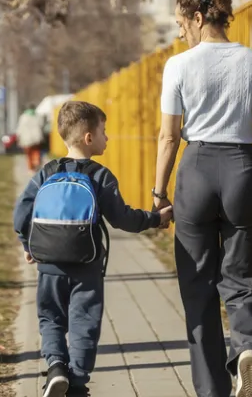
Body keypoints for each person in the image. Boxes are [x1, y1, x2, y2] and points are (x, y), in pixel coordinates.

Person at [150, 0, 252, 397]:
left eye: (182, 23)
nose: (180, 32)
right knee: (242, 279)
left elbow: (168, 138)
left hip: (197, 170)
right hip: (243, 168)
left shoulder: (179, 66)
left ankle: (211, 389)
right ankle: (246, 351)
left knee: (198, 286)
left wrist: (157, 192)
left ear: (199, 18)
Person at [13, 101, 174, 397]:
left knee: (51, 318)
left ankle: (56, 367)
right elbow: (122, 218)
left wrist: (28, 245)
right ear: (89, 138)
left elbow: (21, 213)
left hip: (49, 265)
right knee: (84, 323)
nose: (107, 138)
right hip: (87, 265)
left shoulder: (47, 172)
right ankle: (77, 383)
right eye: (103, 131)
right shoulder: (100, 176)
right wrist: (155, 219)